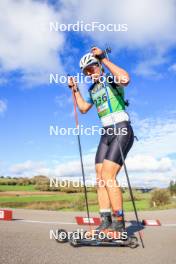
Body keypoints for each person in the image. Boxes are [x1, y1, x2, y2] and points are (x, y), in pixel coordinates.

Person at [68, 47, 134, 235]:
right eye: (86, 72)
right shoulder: (92, 88)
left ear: (99, 66)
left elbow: (125, 79)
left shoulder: (110, 78)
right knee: (99, 179)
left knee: (108, 177)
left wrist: (103, 58)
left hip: (121, 128)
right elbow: (82, 108)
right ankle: (105, 223)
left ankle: (119, 226)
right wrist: (75, 90)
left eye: (92, 68)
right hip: (106, 134)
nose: (90, 73)